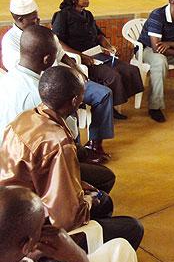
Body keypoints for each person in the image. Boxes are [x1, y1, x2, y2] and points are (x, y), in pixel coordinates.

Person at [0, 65, 143, 250]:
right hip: (27, 229)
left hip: (12, 205)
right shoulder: (58, 142)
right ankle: (81, 258)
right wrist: (87, 202)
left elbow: (42, 177)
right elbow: (64, 218)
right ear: (75, 100)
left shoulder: (26, 118)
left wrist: (79, 189)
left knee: (103, 195)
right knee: (132, 227)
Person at [0, 186, 174, 262]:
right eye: (40, 228)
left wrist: (30, 256)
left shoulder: (10, 256)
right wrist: (77, 258)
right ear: (25, 244)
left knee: (121, 249)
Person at [0, 25, 115, 194]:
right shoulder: (42, 96)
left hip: (7, 163)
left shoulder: (5, 79)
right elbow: (62, 142)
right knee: (105, 177)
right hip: (28, 172)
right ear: (48, 60)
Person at [2, 0, 114, 164]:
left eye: (38, 17)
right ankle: (75, 154)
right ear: (19, 19)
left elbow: (62, 54)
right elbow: (21, 70)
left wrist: (77, 71)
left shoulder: (43, 33)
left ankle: (94, 145)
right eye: (34, 19)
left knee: (103, 95)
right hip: (48, 90)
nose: (39, 21)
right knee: (68, 110)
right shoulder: (10, 42)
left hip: (67, 80)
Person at [51, 0, 144, 120]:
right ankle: (107, 108)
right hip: (81, 58)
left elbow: (99, 35)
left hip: (97, 55)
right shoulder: (62, 16)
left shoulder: (87, 15)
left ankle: (113, 104)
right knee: (113, 76)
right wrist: (81, 56)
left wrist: (109, 46)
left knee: (130, 70)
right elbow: (58, 41)